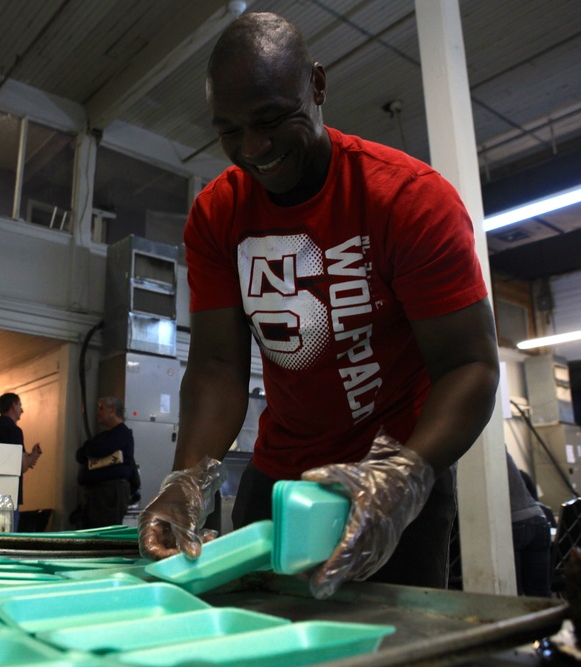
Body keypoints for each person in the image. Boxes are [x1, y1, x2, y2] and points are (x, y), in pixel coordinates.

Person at [138, 12, 501, 600]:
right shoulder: (218, 214)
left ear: (319, 85)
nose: (253, 150)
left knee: (388, 649)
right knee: (254, 641)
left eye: (273, 119)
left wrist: (404, 475)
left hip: (389, 487)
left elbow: (471, 366)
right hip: (278, 482)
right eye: (229, 130)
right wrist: (186, 480)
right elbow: (216, 369)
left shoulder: (408, 200)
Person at [76, 396, 136, 528]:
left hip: (109, 496)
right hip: (95, 495)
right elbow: (80, 455)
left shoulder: (122, 434)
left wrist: (89, 450)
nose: (98, 412)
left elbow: (97, 449)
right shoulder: (103, 437)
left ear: (112, 410)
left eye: (101, 408)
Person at [0, 393, 42, 523]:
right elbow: (20, 465)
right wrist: (33, 457)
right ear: (13, 405)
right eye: (20, 405)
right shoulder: (14, 430)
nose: (22, 409)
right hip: (8, 496)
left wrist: (31, 456)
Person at [506, 450, 552, 597]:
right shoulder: (499, 446)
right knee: (540, 592)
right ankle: (551, 620)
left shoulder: (476, 450)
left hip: (514, 523)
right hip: (539, 519)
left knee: (514, 595)